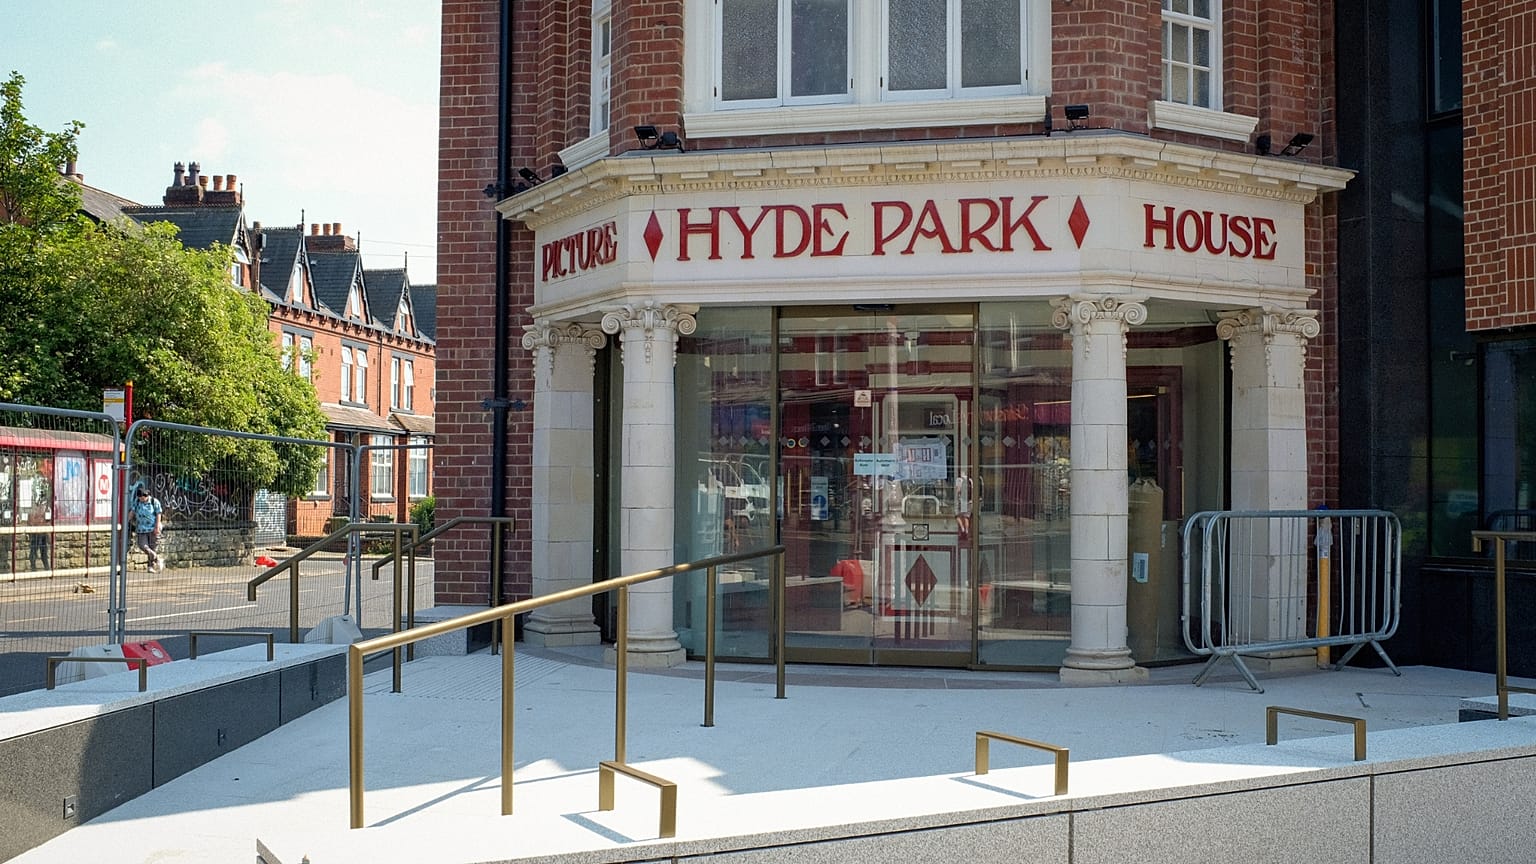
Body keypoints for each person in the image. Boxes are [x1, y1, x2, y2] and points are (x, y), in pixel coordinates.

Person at [129, 486, 165, 572]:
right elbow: (132, 512)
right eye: (140, 497)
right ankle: (157, 558)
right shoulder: (137, 502)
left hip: (152, 528)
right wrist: (127, 520)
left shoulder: (154, 502)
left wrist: (157, 527)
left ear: (146, 496)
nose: (141, 499)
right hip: (141, 528)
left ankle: (150, 567)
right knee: (143, 546)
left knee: (152, 547)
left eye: (143, 497)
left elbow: (158, 514)